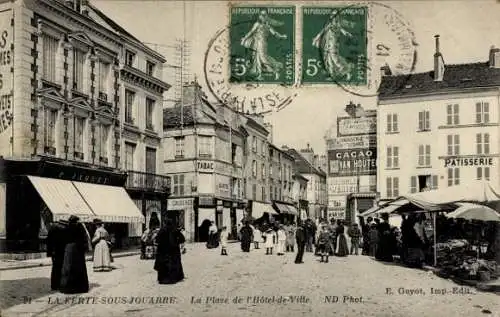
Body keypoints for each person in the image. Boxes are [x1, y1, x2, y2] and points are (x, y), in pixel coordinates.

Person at [240, 9, 288, 80]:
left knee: (263, 58)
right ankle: (260, 75)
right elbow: (251, 32)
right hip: (257, 43)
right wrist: (244, 38)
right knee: (258, 58)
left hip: (262, 43)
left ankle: (275, 72)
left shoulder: (267, 26)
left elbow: (274, 33)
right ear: (259, 16)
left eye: (265, 15)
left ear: (267, 16)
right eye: (262, 15)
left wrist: (282, 36)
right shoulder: (257, 24)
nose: (264, 16)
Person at [59, 216, 89, 294]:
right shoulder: (80, 227)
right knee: (79, 267)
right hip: (78, 249)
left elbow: (63, 239)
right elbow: (84, 238)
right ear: (76, 221)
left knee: (68, 267)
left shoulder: (66, 228)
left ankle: (67, 287)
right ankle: (80, 287)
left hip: (68, 249)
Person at [154, 219, 185, 284]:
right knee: (174, 264)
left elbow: (157, 240)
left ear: (165, 223)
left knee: (163, 264)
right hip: (173, 251)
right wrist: (176, 243)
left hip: (163, 251)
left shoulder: (162, 230)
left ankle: (162, 279)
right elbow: (182, 239)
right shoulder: (175, 230)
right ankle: (174, 278)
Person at [46, 219, 68, 291]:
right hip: (60, 252)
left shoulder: (52, 228)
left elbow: (48, 241)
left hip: (53, 252)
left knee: (55, 268)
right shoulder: (62, 229)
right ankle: (58, 284)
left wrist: (50, 252)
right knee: (59, 268)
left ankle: (54, 285)